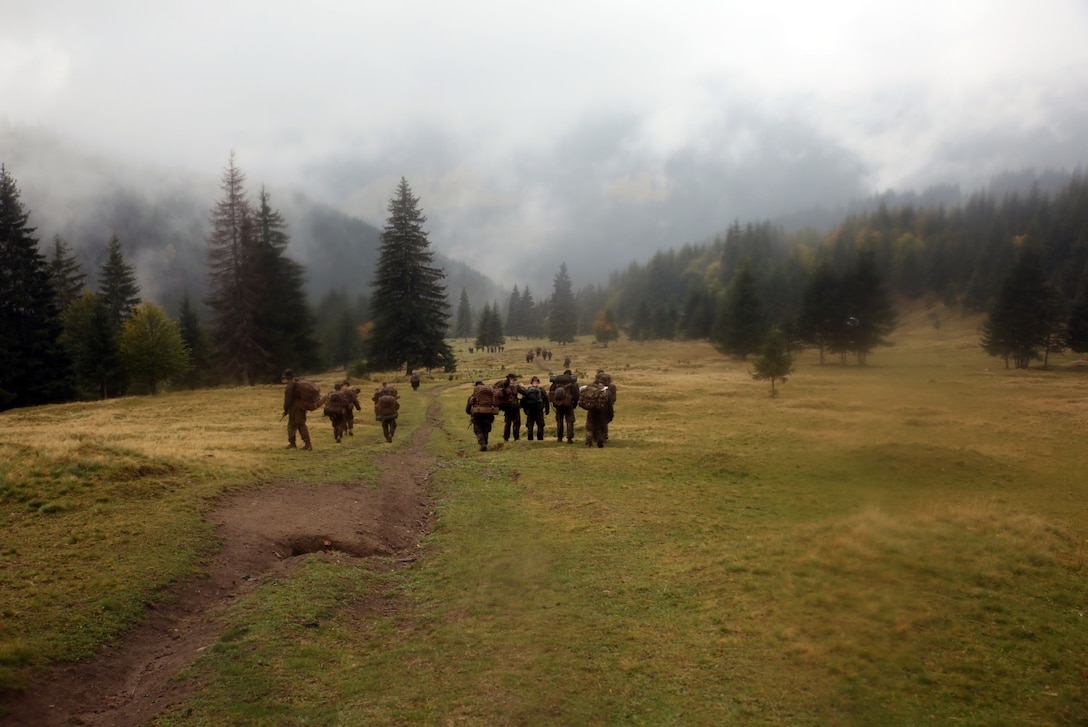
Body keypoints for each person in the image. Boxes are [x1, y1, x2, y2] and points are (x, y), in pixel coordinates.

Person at [281, 368, 313, 451]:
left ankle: (300, 444)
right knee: (299, 425)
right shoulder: (298, 381)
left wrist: (285, 410)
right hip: (302, 407)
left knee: (295, 425)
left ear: (287, 377)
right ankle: (304, 444)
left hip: (294, 409)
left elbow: (287, 399)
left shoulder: (290, 385)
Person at [581, 375, 612, 448]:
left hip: (591, 410)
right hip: (601, 412)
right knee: (600, 427)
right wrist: (610, 414)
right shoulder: (606, 391)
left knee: (589, 427)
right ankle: (600, 442)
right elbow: (609, 404)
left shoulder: (591, 389)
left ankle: (588, 442)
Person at [466, 380, 497, 451]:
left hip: (477, 415)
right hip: (488, 414)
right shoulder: (490, 395)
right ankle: (485, 442)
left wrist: (471, 412)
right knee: (486, 429)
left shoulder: (472, 397)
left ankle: (482, 444)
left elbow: (467, 410)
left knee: (478, 430)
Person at [549, 369, 579, 443]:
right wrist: (574, 404)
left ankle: (559, 438)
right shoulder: (572, 384)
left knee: (559, 421)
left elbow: (551, 392)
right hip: (569, 405)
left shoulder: (556, 383)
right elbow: (576, 395)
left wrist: (555, 403)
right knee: (570, 421)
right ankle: (569, 438)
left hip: (558, 405)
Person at [520, 375, 550, 441]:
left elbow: (524, 401)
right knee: (540, 424)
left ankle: (530, 438)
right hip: (539, 410)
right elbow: (546, 399)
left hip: (530, 410)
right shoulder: (542, 390)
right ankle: (540, 438)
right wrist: (547, 409)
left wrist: (525, 410)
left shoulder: (528, 390)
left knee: (530, 424)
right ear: (538, 383)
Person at [497, 372, 522, 441]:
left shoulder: (512, 386)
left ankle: (511, 437)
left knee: (513, 423)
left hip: (512, 407)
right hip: (510, 407)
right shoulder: (505, 386)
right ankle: (510, 437)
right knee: (510, 423)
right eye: (512, 379)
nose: (513, 381)